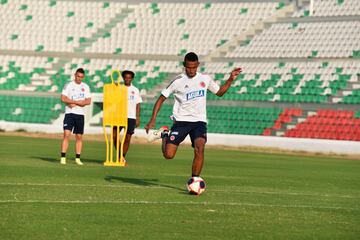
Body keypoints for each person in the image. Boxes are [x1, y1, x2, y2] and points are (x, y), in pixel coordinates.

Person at [145, 52, 241, 178]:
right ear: (184, 65)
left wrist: (230, 79)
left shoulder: (205, 79)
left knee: (199, 148)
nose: (191, 70)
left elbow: (219, 92)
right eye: (189, 67)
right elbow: (161, 99)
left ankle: (195, 180)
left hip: (199, 122)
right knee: (168, 155)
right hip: (181, 122)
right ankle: (164, 134)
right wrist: (153, 119)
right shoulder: (178, 81)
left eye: (194, 67)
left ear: (198, 65)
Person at [60, 68, 91, 165]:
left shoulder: (85, 87)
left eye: (81, 77)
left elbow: (88, 101)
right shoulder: (68, 85)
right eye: (78, 76)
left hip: (80, 115)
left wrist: (75, 103)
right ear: (75, 75)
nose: (79, 78)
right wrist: (77, 102)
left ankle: (77, 158)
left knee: (79, 137)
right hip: (69, 113)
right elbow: (63, 98)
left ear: (83, 77)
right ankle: (63, 157)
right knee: (66, 134)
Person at [112, 70, 143, 163]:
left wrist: (137, 117)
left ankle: (122, 157)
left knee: (127, 138)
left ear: (132, 79)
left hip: (131, 117)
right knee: (114, 136)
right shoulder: (119, 88)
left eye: (129, 78)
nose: (127, 79)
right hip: (119, 116)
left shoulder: (135, 90)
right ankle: (120, 154)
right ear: (123, 78)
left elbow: (138, 104)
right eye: (126, 77)